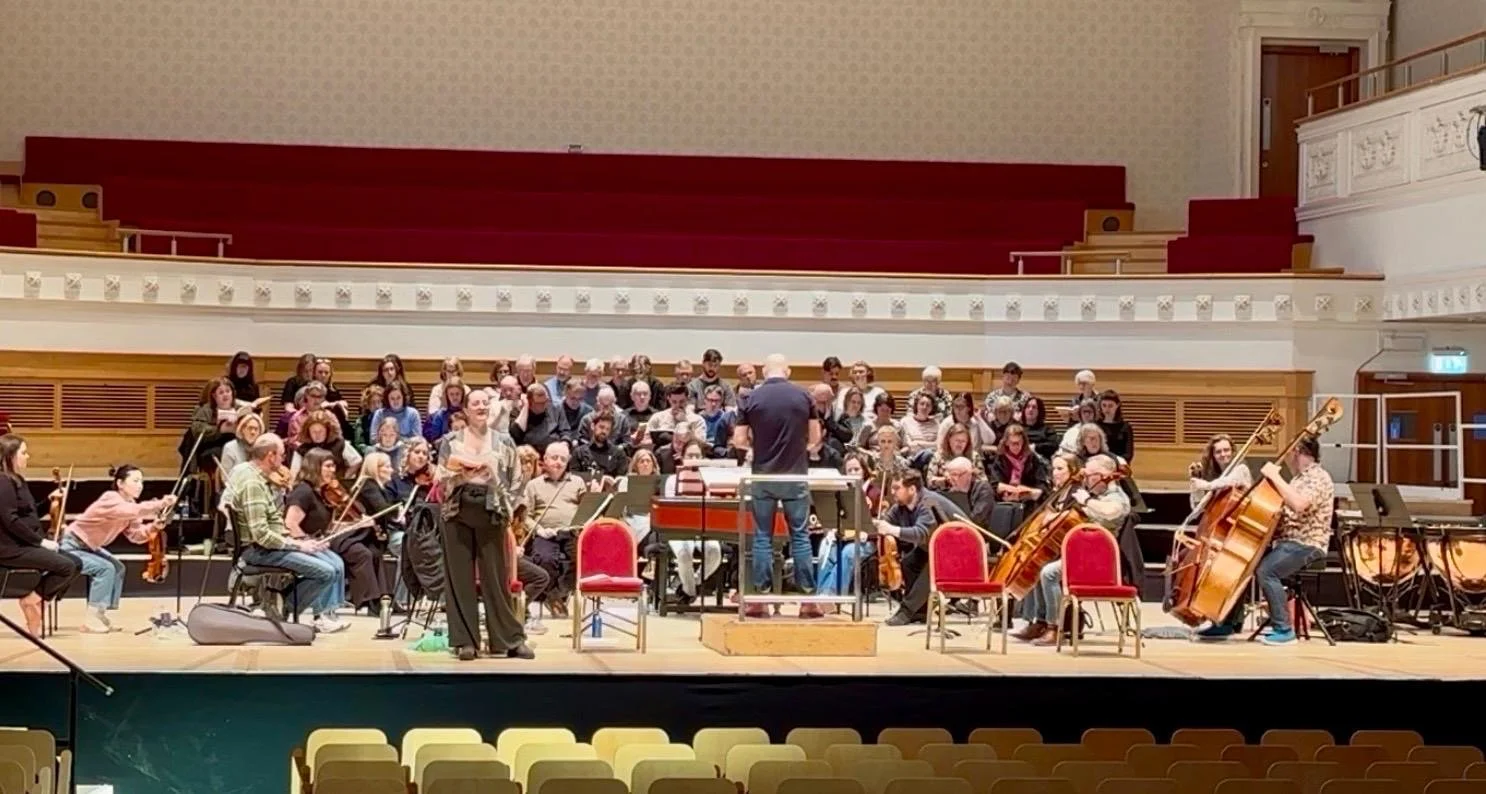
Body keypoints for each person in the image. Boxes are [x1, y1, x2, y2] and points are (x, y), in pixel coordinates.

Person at [1197, 436, 1335, 646]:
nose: (1287, 458)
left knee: (1267, 570)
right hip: (1288, 542)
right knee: (1244, 564)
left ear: (1297, 451)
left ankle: (1284, 629)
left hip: (1307, 544)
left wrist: (1275, 477)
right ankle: (1227, 622)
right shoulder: (1298, 479)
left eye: (1289, 452)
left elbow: (1299, 504)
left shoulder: (1318, 477)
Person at [436, 389, 534, 661]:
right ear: (466, 410)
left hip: (492, 510)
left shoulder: (504, 441)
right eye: (475, 403)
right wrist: (459, 475)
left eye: (485, 403)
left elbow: (516, 482)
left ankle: (509, 640)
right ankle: (465, 641)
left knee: (496, 578)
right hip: (457, 511)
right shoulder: (450, 441)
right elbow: (440, 480)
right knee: (460, 579)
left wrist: (495, 480)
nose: (481, 407)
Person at [227, 434, 348, 633]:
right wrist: (298, 544)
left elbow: (271, 527)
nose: (283, 460)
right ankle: (282, 608)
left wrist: (299, 541)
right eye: (282, 455)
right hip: (259, 551)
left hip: (271, 546)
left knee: (332, 566)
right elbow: (261, 535)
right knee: (326, 572)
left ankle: (280, 604)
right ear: (270, 456)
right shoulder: (253, 484)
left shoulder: (253, 476)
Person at [731, 353, 821, 619]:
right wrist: (800, 449)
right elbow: (815, 437)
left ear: (763, 371)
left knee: (762, 537)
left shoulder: (751, 398)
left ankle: (760, 601)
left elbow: (738, 440)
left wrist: (756, 448)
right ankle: (808, 602)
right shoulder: (804, 396)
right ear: (788, 371)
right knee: (800, 537)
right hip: (795, 475)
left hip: (763, 476)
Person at [1013, 453, 1133, 644]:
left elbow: (1110, 512)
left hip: (1098, 561)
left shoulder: (1118, 498)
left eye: (1090, 475)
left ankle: (1055, 628)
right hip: (1080, 555)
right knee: (1040, 563)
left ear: (1104, 476)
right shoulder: (1095, 494)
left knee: (1049, 573)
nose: (1086, 479)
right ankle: (1040, 622)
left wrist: (1086, 501)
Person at [61, 464, 177, 633]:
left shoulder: (131, 506)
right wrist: (161, 504)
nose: (140, 485)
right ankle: (91, 618)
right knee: (105, 568)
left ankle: (100, 612)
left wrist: (154, 526)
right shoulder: (110, 498)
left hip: (89, 546)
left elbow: (135, 535)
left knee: (117, 567)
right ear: (120, 483)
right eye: (135, 481)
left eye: (141, 481)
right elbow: (134, 510)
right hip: (71, 545)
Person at [0, 435, 81, 635]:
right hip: (11, 548)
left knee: (77, 563)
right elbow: (10, 519)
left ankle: (38, 600)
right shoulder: (2, 481)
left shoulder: (17, 480)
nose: (28, 456)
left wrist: (49, 501)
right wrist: (40, 542)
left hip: (25, 544)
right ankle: (31, 601)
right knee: (66, 566)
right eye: (24, 453)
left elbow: (29, 513)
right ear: (10, 456)